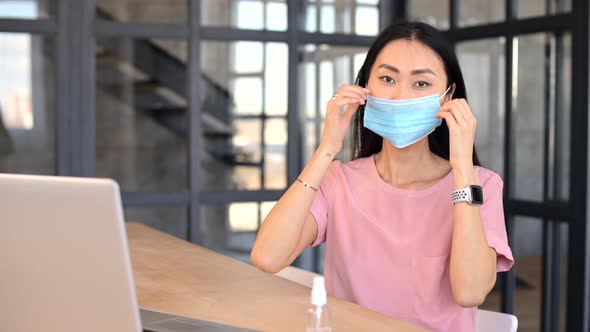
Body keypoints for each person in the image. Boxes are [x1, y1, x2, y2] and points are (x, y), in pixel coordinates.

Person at [251, 21, 514, 332]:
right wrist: (327, 148)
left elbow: (470, 292)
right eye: (387, 78)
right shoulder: (338, 182)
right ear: (366, 87)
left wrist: (462, 168)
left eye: (421, 84)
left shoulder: (480, 185)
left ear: (448, 96)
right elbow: (268, 257)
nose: (400, 96)